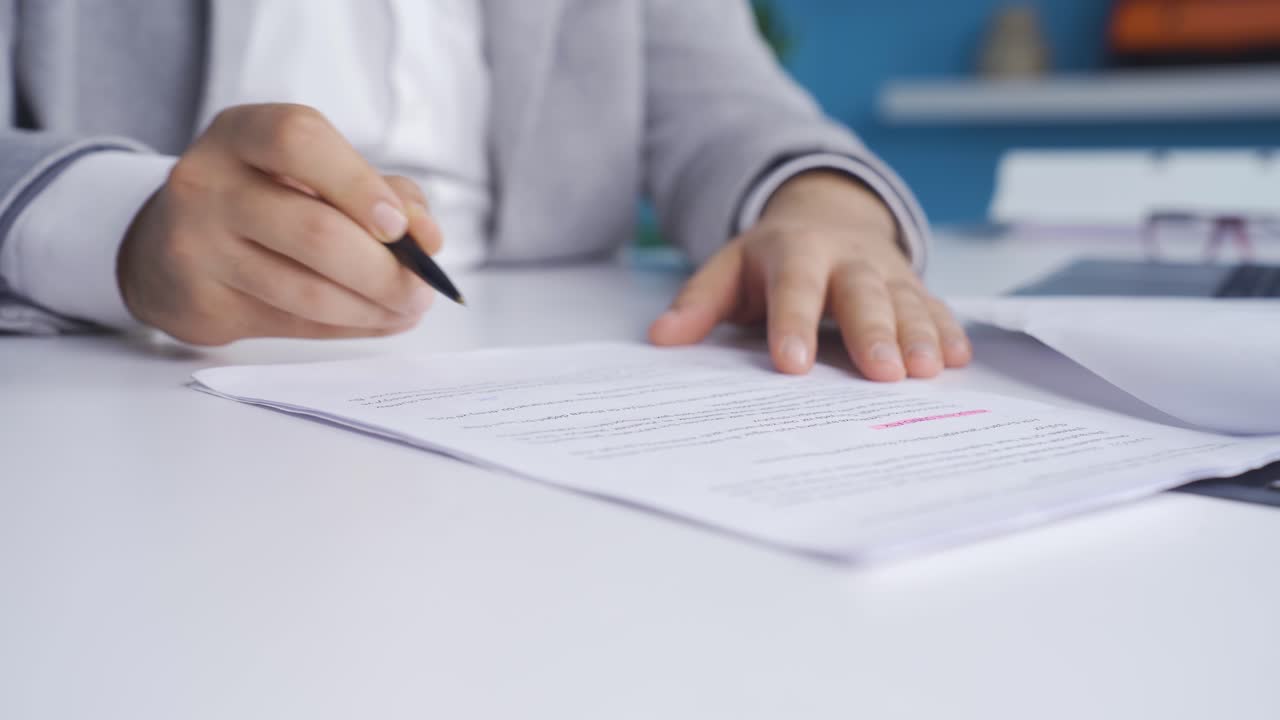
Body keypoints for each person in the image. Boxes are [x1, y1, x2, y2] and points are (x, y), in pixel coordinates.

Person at [0, 0, 971, 381]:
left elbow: (735, 107)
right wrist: (120, 229)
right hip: (119, 380)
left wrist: (825, 214)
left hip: (542, 379)